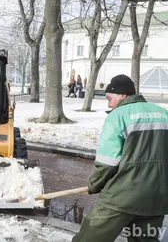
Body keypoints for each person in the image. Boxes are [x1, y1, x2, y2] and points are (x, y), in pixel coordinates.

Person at [72, 74, 168, 242]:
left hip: (121, 198)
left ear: (123, 95)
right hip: (157, 198)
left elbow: (107, 163)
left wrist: (94, 184)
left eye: (109, 98)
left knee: (88, 238)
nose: (108, 103)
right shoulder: (163, 113)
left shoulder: (117, 116)